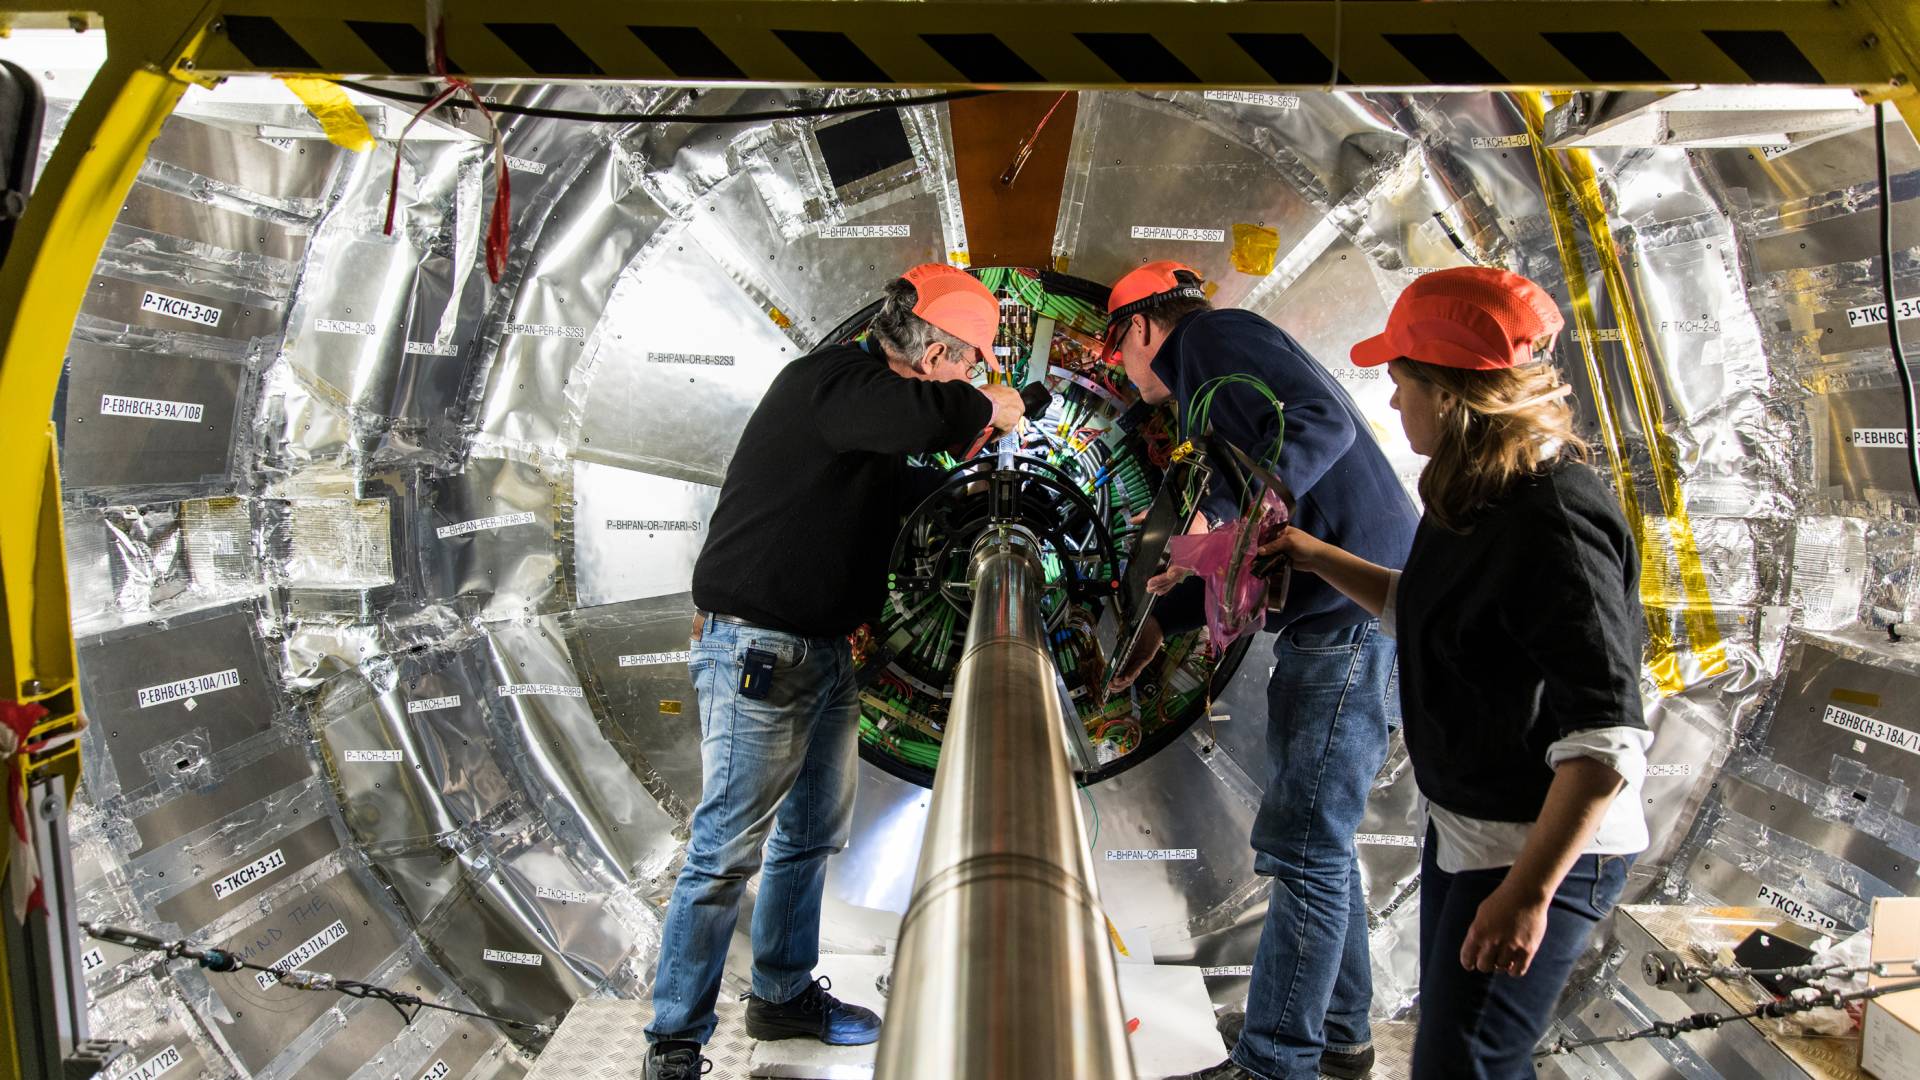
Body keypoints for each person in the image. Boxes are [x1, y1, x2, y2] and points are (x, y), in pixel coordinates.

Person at [1261, 266, 1650, 1078]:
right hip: (1472, 835)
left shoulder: (1555, 517)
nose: (1394, 403)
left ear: (1450, 394)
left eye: (1401, 383)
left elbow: (1607, 735)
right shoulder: (1471, 492)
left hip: (1540, 848)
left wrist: (1532, 893)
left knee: (1464, 1064)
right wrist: (1311, 553)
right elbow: (1435, 610)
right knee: (1459, 1052)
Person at [644, 264, 1026, 1080]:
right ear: (935, 356)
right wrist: (990, 409)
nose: (971, 379)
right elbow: (923, 420)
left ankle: (781, 996)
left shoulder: (865, 420)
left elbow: (896, 484)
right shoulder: (836, 383)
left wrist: (979, 488)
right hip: (760, 653)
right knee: (724, 851)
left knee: (810, 835)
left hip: (818, 653)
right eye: (969, 364)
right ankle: (673, 1043)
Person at [1104, 263, 1419, 1080]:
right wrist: (1165, 617)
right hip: (1343, 623)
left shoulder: (1211, 339)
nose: (1117, 368)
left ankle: (1275, 1063)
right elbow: (1242, 518)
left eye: (1114, 345)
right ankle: (1342, 1038)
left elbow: (1323, 427)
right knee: (1321, 846)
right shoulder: (1213, 399)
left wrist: (1236, 513)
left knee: (1304, 850)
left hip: (1350, 623)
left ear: (1144, 326)